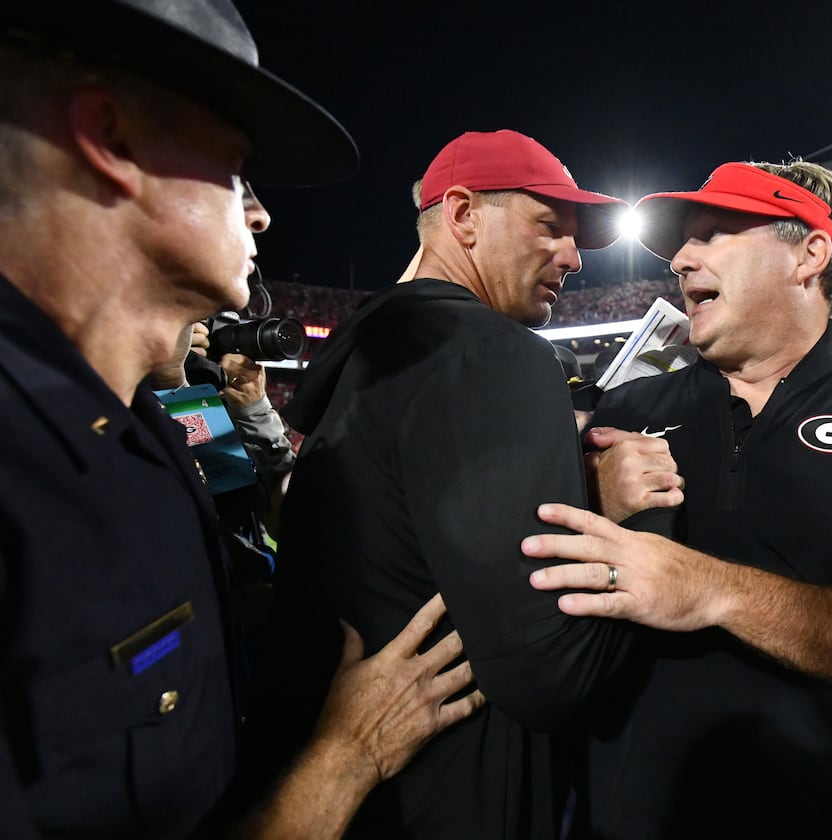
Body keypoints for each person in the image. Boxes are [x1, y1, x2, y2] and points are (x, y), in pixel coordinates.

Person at [0, 2, 482, 837]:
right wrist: (346, 757)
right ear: (111, 142)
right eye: (234, 170)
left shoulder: (139, 420)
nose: (258, 215)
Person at [524, 159, 832, 838]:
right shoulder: (625, 409)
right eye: (683, 244)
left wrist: (713, 591)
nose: (681, 259)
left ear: (808, 255)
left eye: (714, 233)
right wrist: (589, 495)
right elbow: (526, 600)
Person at [253, 129, 634, 838]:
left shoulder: (361, 352)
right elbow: (548, 678)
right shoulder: (497, 353)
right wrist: (630, 522)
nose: (575, 259)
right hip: (457, 790)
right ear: (462, 216)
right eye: (549, 227)